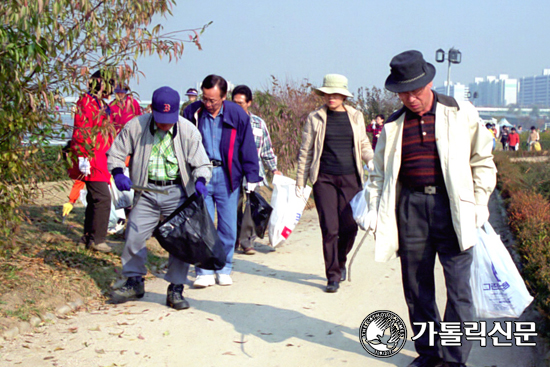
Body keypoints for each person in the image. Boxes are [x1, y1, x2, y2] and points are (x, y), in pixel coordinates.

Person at [366, 50, 496, 367]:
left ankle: (453, 359)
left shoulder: (460, 112)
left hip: (452, 207)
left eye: (415, 90)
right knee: (417, 287)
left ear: (430, 82)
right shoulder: (394, 125)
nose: (410, 99)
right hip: (411, 208)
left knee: (459, 290)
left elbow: (483, 162)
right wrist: (372, 208)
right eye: (403, 93)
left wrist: (479, 204)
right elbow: (377, 174)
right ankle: (429, 353)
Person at [107, 86, 212, 310]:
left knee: (180, 242)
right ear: (152, 111)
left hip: (177, 192)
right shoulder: (136, 126)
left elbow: (202, 163)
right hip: (146, 191)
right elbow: (116, 152)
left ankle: (176, 288)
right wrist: (117, 173)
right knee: (133, 235)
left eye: (170, 119)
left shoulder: (188, 130)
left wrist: (201, 180)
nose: (165, 124)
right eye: (161, 118)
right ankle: (134, 281)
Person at [295, 74, 374, 293]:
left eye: (336, 93)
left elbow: (363, 143)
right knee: (330, 228)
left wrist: (372, 160)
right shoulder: (315, 118)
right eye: (328, 93)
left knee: (349, 226)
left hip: (351, 178)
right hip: (324, 179)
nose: (331, 97)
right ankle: (332, 275)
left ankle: (341, 260)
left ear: (343, 95)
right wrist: (301, 181)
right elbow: (306, 151)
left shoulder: (356, 116)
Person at [183, 75, 262, 288]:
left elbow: (247, 147)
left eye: (213, 100)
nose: (208, 104)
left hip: (227, 175)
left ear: (224, 96)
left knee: (227, 226)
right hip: (201, 176)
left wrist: (251, 176)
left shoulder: (236, 114)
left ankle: (224, 267)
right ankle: (204, 270)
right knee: (203, 225)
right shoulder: (192, 113)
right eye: (205, 99)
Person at [232, 84, 282, 255]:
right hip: (232, 171)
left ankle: (247, 241)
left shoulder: (258, 124)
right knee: (234, 206)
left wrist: (274, 169)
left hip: (254, 172)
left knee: (252, 206)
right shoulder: (227, 121)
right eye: (235, 102)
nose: (237, 106)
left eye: (241, 103)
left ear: (249, 103)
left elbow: (267, 149)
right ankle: (233, 238)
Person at [68, 70, 114, 253]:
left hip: (99, 155)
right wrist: (83, 155)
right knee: (102, 198)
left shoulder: (98, 103)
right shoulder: (87, 102)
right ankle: (97, 239)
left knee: (94, 198)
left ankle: (88, 236)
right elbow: (82, 129)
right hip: (92, 157)